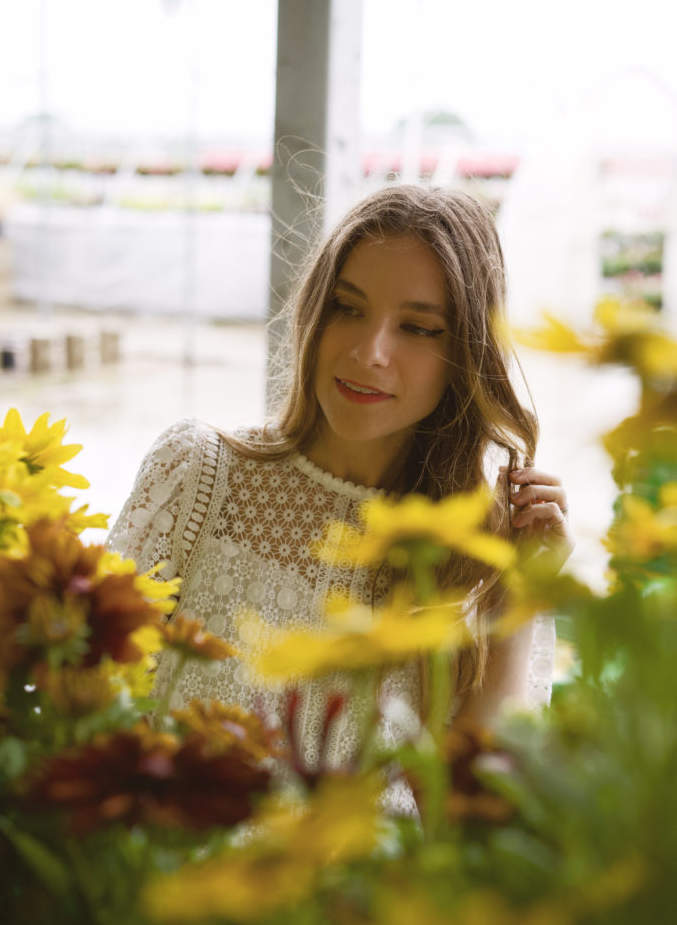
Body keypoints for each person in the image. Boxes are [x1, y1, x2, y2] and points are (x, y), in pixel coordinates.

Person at [107, 185, 573, 812]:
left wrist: (515, 598)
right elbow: (91, 707)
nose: (368, 350)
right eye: (347, 309)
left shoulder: (481, 551)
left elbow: (463, 824)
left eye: (416, 327)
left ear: (464, 355)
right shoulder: (198, 477)